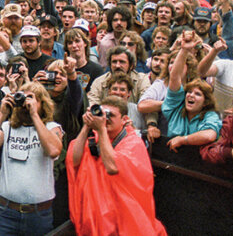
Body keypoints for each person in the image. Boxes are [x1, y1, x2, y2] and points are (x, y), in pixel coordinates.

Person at [66, 96, 166, 236]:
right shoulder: (93, 137)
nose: (105, 119)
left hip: (125, 221)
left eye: (110, 115)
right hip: (95, 220)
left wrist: (101, 129)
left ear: (124, 119)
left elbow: (113, 167)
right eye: (103, 114)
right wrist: (86, 126)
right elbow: (73, 160)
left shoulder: (133, 143)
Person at [0, 82, 63, 236]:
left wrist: (35, 115)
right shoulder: (8, 127)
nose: (25, 102)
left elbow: (53, 150)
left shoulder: (51, 128)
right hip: (5, 212)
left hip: (38, 214)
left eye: (31, 98)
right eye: (23, 97)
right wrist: (2, 113)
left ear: (43, 103)